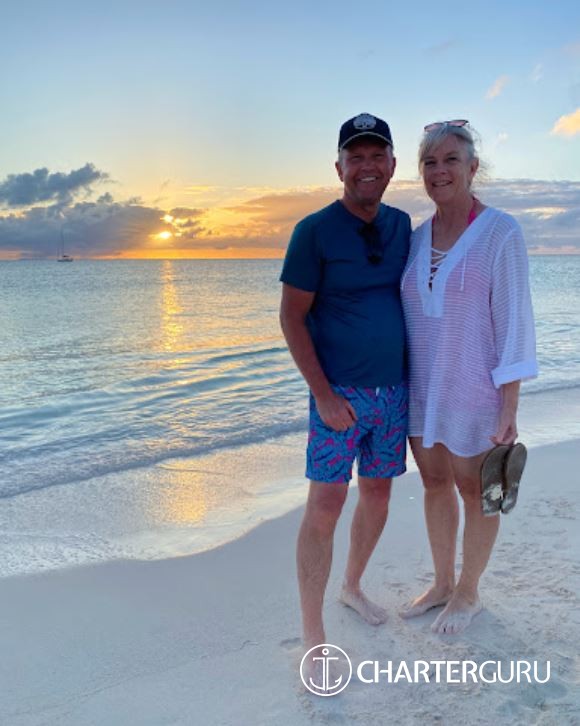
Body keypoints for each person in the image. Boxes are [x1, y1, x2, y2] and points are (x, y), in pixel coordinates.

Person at [279, 113, 411, 655]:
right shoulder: (313, 231)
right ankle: (313, 633)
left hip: (395, 393)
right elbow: (291, 317)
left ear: (392, 165)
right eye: (355, 157)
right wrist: (324, 395)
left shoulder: (402, 226)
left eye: (377, 155)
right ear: (339, 168)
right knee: (327, 503)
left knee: (378, 492)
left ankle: (352, 586)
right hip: (339, 397)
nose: (367, 166)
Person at [400, 120, 538, 634]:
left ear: (473, 167)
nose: (439, 171)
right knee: (434, 483)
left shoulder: (501, 232)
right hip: (423, 389)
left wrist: (509, 405)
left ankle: (469, 592)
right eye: (430, 162)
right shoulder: (415, 239)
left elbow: (514, 320)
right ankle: (442, 584)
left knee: (475, 490)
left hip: (476, 388)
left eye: (451, 160)